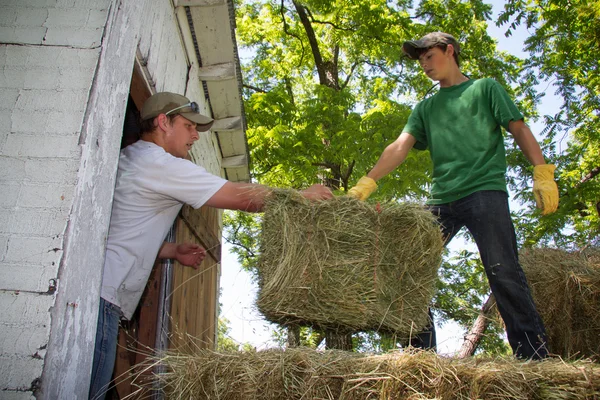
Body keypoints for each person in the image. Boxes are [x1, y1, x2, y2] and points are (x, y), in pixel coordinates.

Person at [89, 92, 333, 399]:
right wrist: (299, 196)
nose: (195, 136)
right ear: (164, 122)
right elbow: (238, 196)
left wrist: (170, 250)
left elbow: (120, 231)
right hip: (101, 302)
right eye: (190, 126)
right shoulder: (159, 163)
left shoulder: (131, 157)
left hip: (96, 294)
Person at [348, 32, 559, 360]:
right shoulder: (426, 108)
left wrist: (542, 172)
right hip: (442, 200)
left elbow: (518, 127)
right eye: (420, 61)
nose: (424, 65)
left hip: (484, 192)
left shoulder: (484, 89)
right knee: (406, 267)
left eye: (429, 57)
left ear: (450, 51)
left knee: (502, 270)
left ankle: (533, 358)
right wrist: (367, 182)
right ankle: (421, 358)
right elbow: (400, 147)